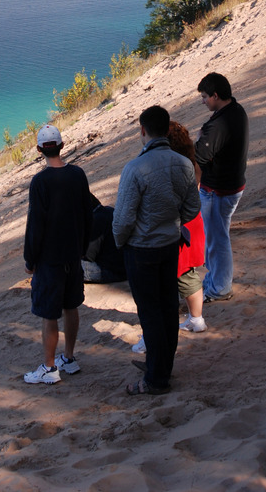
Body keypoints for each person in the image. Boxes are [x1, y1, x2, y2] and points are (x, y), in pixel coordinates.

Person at [113, 105, 200, 396]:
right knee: (166, 308)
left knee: (150, 312)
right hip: (169, 245)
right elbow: (191, 208)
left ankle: (155, 379)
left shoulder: (135, 168)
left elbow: (123, 219)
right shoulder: (184, 164)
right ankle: (160, 366)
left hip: (142, 249)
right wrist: (170, 223)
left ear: (143, 131)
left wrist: (120, 241)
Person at [23, 124, 92, 384]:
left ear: (40, 149)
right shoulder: (78, 174)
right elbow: (88, 213)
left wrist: (30, 259)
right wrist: (82, 248)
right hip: (73, 255)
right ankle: (69, 358)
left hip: (50, 259)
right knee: (71, 306)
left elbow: (35, 224)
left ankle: (49, 368)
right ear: (62, 146)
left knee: (49, 313)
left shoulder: (40, 182)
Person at [130, 120, 206, 354]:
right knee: (188, 273)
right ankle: (196, 319)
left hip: (172, 227)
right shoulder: (192, 164)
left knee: (160, 286)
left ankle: (152, 337)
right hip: (192, 223)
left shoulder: (166, 168)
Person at [195, 72, 248, 302]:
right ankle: (215, 281)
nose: (203, 101)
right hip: (230, 185)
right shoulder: (236, 110)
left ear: (216, 96)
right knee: (216, 237)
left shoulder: (218, 124)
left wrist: (199, 137)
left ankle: (220, 287)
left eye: (205, 96)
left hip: (219, 189)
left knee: (217, 239)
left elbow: (199, 155)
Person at [82, 193, 127, 284]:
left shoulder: (95, 222)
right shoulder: (109, 211)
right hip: (124, 266)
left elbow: (88, 256)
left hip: (109, 271)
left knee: (65, 264)